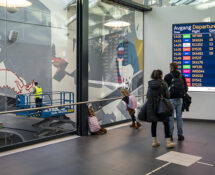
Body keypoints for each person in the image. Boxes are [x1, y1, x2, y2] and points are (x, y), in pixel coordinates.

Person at [146, 70, 176, 148]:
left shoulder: (150, 84)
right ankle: (168, 142)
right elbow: (167, 95)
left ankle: (154, 142)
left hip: (152, 106)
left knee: (154, 123)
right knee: (166, 123)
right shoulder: (163, 83)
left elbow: (148, 96)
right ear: (161, 75)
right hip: (162, 106)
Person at [164, 63, 188, 141]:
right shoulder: (182, 76)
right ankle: (180, 135)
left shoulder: (167, 76)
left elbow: (164, 88)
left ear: (171, 68)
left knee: (170, 117)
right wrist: (183, 94)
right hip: (180, 99)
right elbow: (186, 87)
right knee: (179, 117)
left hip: (171, 100)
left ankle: (170, 135)